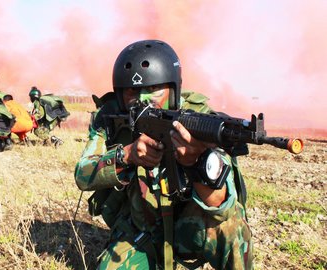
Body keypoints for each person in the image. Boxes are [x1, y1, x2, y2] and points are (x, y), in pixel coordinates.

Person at [74, 40, 252, 269]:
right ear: (120, 94)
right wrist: (126, 155)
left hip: (188, 226)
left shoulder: (202, 122)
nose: (143, 100)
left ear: (173, 89)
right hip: (141, 228)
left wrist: (196, 162)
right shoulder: (109, 117)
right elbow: (82, 174)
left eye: (153, 89)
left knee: (231, 228)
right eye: (132, 91)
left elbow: (221, 208)